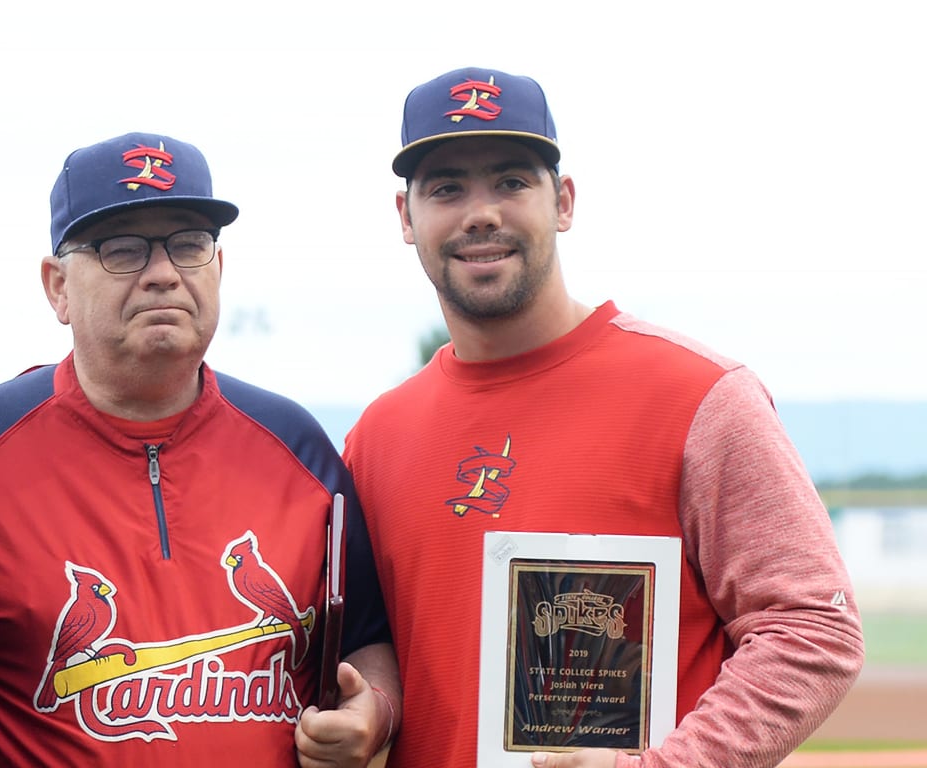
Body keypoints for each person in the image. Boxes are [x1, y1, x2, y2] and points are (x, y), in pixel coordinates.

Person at [346, 67, 866, 768]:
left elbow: (812, 628)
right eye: (446, 188)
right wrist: (369, 712)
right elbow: (377, 653)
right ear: (406, 218)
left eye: (511, 181)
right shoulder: (377, 437)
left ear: (562, 201)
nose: (481, 213)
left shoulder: (700, 396)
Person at [0, 132, 400, 767]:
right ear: (57, 287)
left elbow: (364, 639)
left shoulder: (299, 448)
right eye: (123, 249)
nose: (163, 273)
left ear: (218, 269)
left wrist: (375, 711)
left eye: (189, 245)